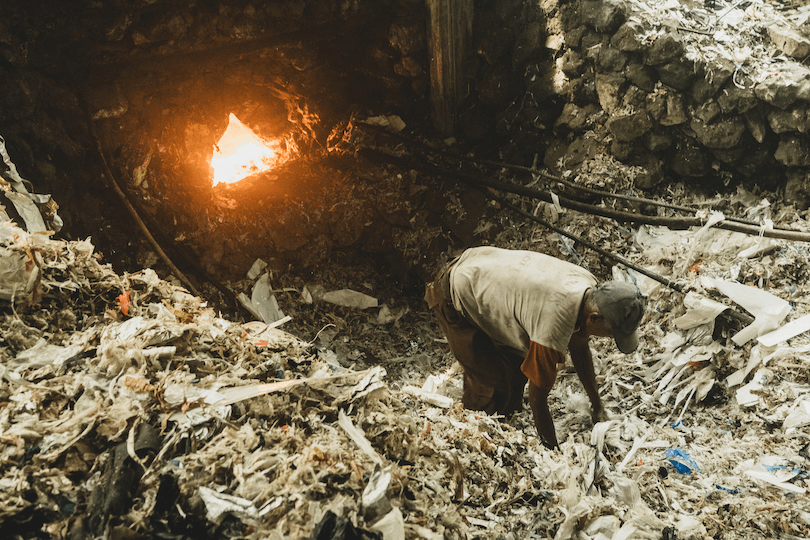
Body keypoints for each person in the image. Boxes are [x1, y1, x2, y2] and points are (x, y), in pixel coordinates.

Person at [424, 246, 646, 449]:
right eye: (610, 333)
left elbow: (580, 348)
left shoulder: (589, 289)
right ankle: (466, 439)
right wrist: (552, 450)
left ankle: (502, 413)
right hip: (455, 290)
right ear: (595, 319)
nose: (608, 339)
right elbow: (537, 399)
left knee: (516, 374)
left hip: (482, 268)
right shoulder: (553, 326)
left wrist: (597, 405)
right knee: (491, 387)